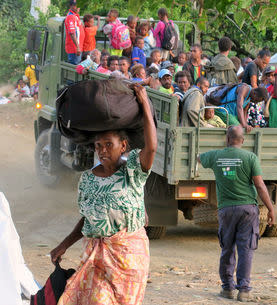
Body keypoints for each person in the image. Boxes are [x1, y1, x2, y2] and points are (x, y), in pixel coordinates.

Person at [50, 84, 157, 305]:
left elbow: (152, 147)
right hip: (97, 257)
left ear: (123, 146)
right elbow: (88, 218)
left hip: (129, 257)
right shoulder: (88, 179)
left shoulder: (133, 171)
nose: (103, 150)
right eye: (99, 145)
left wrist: (144, 101)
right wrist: (64, 244)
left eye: (109, 144)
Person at [198, 125, 275, 302]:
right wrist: (270, 208)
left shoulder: (216, 156)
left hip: (226, 210)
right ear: (243, 140)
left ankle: (227, 289)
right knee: (246, 249)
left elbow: (199, 158)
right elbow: (260, 186)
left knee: (227, 248)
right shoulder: (250, 158)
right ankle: (244, 291)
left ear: (227, 139)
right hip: (248, 210)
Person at [64, 0, 84, 65]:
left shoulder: (75, 16)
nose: (77, 7)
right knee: (75, 68)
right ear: (71, 6)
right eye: (75, 6)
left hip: (78, 48)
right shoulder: (71, 17)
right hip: (74, 49)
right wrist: (77, 47)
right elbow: (72, 33)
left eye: (77, 6)